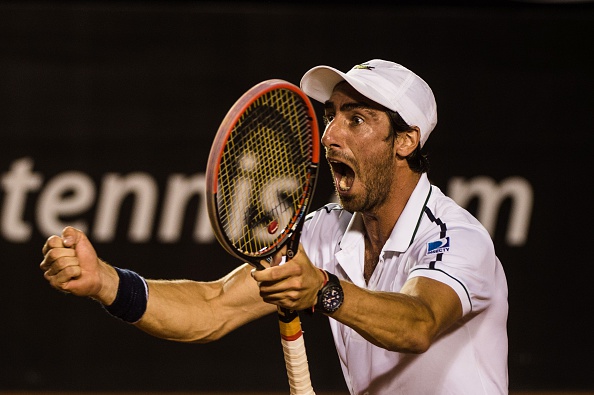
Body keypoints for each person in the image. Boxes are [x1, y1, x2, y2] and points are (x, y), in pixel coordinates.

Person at [40, 59, 508, 394]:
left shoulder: (456, 236)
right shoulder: (325, 233)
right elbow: (212, 307)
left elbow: (419, 323)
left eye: (357, 119)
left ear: (405, 141)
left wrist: (323, 291)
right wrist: (105, 281)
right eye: (330, 117)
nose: (330, 136)